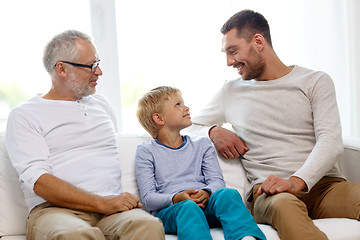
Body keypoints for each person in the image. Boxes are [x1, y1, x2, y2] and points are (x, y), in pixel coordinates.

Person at [185, 9, 360, 240]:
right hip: (270, 192)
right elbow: (187, 126)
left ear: (258, 41)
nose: (229, 62)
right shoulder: (230, 91)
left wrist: (296, 181)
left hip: (324, 187)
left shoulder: (315, 81)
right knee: (284, 207)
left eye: (233, 51)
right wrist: (213, 130)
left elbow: (330, 140)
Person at [5, 30, 164, 240]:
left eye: (97, 63)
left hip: (112, 209)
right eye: (91, 66)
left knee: (148, 225)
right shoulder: (25, 115)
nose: (99, 72)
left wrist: (111, 203)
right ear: (61, 68)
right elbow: (39, 181)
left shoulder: (101, 105)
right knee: (77, 235)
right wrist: (102, 203)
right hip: (55, 211)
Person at [135, 86, 266, 240]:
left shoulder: (202, 144)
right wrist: (176, 198)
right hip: (173, 211)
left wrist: (207, 192)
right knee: (188, 207)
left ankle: (247, 237)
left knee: (228, 194)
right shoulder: (146, 151)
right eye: (178, 105)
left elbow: (217, 181)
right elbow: (148, 198)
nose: (186, 107)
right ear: (159, 118)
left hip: (205, 204)